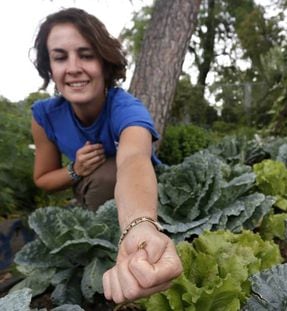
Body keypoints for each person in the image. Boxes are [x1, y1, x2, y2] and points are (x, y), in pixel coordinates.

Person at [30, 7, 182, 303]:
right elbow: (43, 179)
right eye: (60, 57)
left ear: (104, 61)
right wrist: (75, 169)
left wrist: (139, 225)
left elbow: (134, 160)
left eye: (86, 55)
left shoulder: (126, 108)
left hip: (143, 196)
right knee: (99, 177)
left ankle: (135, 249)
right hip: (93, 193)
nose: (73, 67)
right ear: (50, 68)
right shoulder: (43, 116)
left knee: (110, 172)